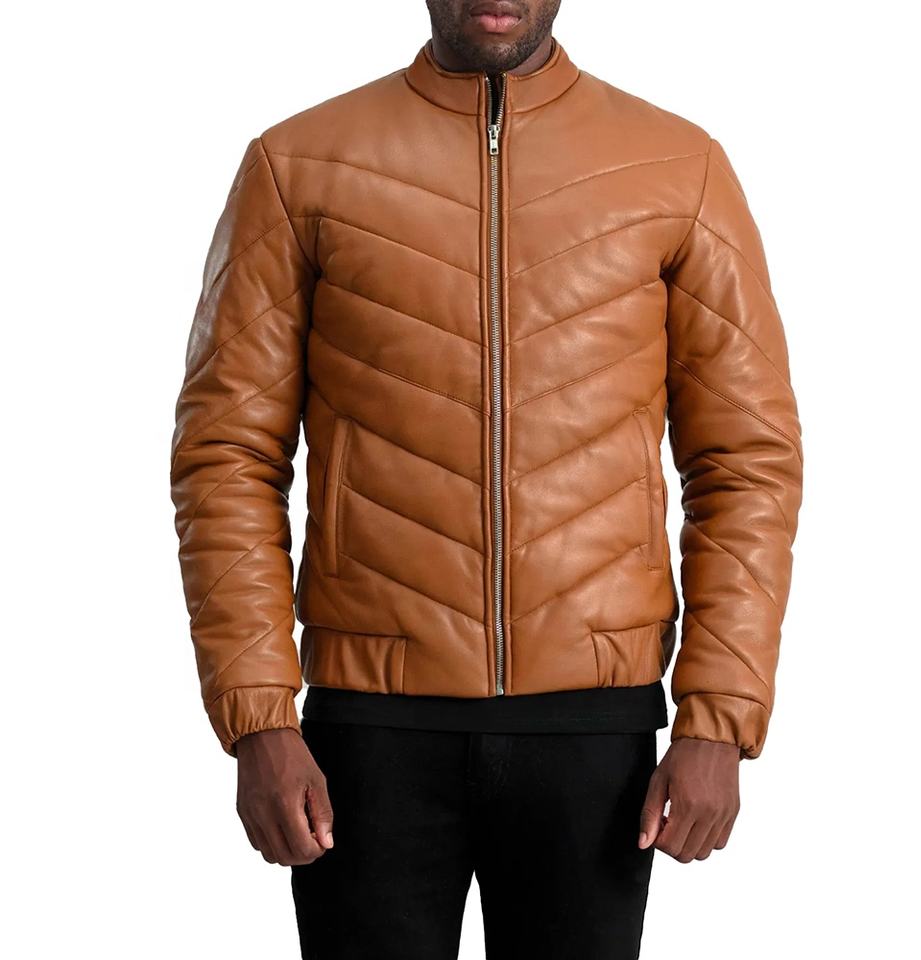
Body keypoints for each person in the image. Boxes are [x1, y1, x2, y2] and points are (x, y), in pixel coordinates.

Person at [169, 1, 804, 956]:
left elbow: (746, 461)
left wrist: (718, 719)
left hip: (594, 730)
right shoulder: (298, 165)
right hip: (368, 727)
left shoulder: (678, 168)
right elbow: (226, 455)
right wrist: (258, 718)